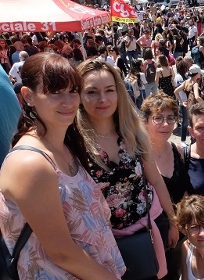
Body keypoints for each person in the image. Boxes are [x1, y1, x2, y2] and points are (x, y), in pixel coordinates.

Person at [0, 52, 125, 278]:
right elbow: (62, 253)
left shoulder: (64, 145)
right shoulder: (31, 163)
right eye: (55, 93)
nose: (68, 102)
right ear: (28, 96)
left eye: (73, 91)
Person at [77, 59, 179, 279]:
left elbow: (156, 180)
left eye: (109, 90)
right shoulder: (73, 143)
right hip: (103, 244)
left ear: (119, 93)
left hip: (149, 231)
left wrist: (173, 221)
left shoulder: (132, 132)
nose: (102, 99)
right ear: (79, 95)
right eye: (92, 92)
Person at [140, 93, 192, 280]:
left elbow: (184, 190)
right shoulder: (137, 155)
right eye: (158, 118)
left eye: (170, 118)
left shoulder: (177, 150)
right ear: (145, 121)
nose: (166, 124)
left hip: (177, 231)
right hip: (149, 235)